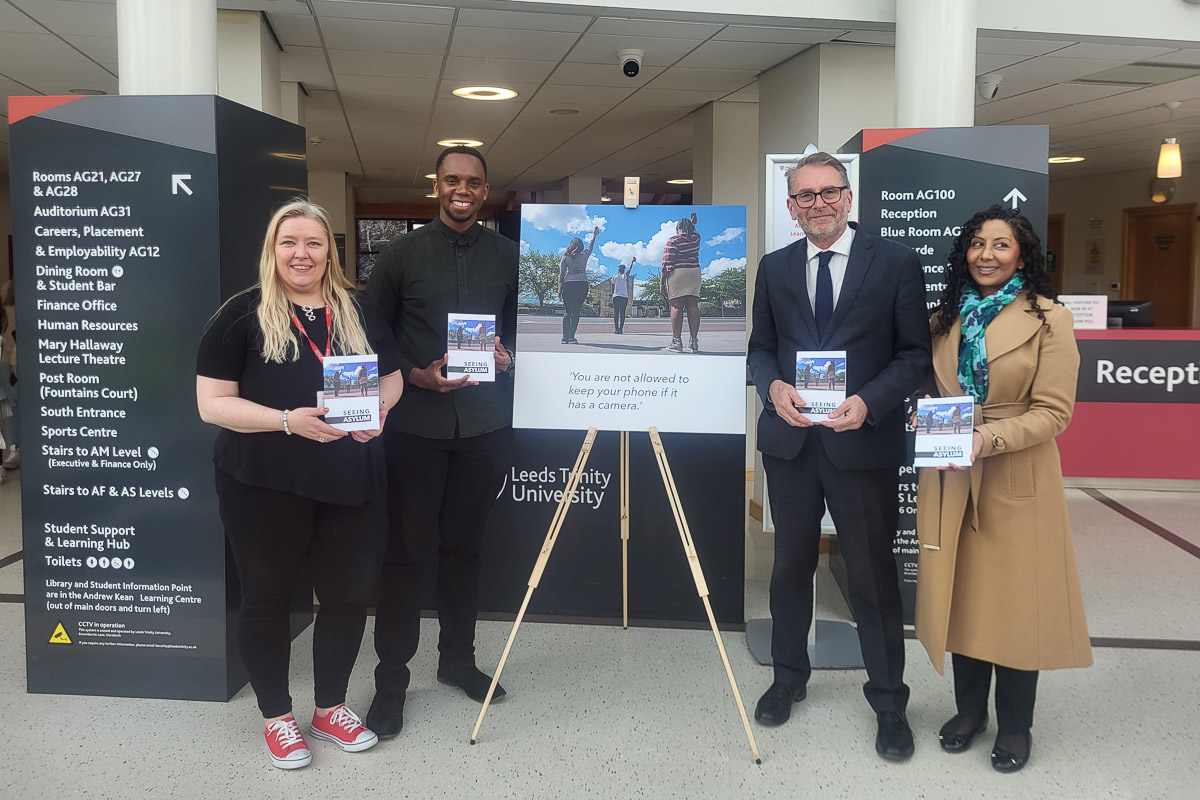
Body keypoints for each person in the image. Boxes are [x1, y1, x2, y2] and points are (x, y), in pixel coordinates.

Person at [195, 199, 404, 770]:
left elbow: (392, 376)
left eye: (313, 243)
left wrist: (379, 412)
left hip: (350, 476)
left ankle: (330, 708)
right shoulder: (241, 314)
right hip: (262, 482)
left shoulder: (357, 308)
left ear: (328, 251)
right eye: (289, 242)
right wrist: (287, 420)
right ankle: (278, 717)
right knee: (266, 598)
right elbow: (211, 405)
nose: (301, 254)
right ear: (272, 249)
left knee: (347, 595)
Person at [747, 151, 931, 761]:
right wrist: (773, 387)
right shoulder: (773, 268)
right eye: (804, 196)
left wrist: (869, 402)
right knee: (789, 569)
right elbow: (761, 350)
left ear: (848, 197)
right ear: (792, 206)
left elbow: (913, 356)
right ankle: (787, 677)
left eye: (828, 192)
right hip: (793, 443)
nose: (817, 204)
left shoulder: (896, 263)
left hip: (862, 442)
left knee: (874, 578)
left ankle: (888, 701)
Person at [914, 205, 1091, 774]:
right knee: (962, 597)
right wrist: (926, 420)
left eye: (1001, 245)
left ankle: (1015, 725)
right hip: (952, 474)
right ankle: (970, 713)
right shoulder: (944, 318)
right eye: (976, 244)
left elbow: (1054, 414)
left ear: (1022, 254)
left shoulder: (1050, 320)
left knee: (1016, 604)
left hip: (1016, 475)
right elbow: (935, 390)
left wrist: (985, 440)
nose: (986, 255)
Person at [365, 145, 518, 739]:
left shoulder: (509, 256)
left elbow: (519, 328)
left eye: (474, 182)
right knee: (404, 556)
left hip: (483, 427)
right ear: (436, 185)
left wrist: (507, 357)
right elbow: (373, 335)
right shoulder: (401, 255)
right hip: (415, 430)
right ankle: (391, 680)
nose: (463, 189)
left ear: (486, 190)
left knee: (465, 550)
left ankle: (457, 661)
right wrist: (416, 374)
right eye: (452, 179)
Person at [660, 212, 702, 353]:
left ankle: (677, 342)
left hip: (678, 273)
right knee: (693, 307)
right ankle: (694, 342)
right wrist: (692, 224)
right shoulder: (696, 238)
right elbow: (692, 233)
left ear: (677, 228)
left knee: (676, 306)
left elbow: (666, 263)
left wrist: (662, 282)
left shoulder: (673, 241)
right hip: (694, 272)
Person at [558, 226, 599, 344]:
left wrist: (559, 289)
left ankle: (564, 337)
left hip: (568, 284)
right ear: (581, 247)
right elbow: (590, 247)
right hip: (581, 284)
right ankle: (571, 337)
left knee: (567, 311)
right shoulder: (584, 255)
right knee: (576, 310)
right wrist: (594, 235)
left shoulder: (565, 257)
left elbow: (561, 274)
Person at [610, 258, 636, 333]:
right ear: (623, 270)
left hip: (616, 296)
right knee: (622, 313)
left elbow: (612, 287)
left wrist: (613, 294)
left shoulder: (614, 277)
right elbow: (629, 269)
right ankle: (620, 329)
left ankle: (616, 329)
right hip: (624, 297)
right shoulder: (625, 276)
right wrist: (632, 262)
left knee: (616, 313)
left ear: (618, 270)